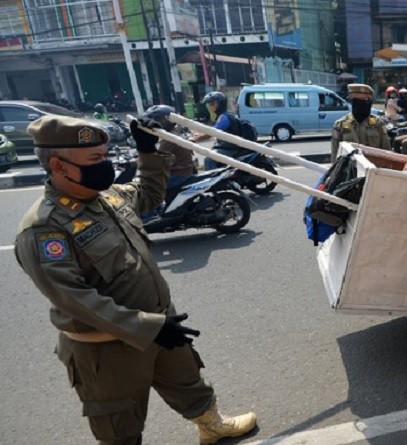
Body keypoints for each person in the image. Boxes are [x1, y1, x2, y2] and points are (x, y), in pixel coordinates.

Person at [14, 114, 257, 444]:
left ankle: (211, 426)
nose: (107, 166)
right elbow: (73, 298)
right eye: (96, 159)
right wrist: (150, 327)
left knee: (188, 382)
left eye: (107, 156)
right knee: (119, 424)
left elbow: (150, 192)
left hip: (160, 326)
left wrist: (147, 150)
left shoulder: (106, 197)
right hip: (107, 350)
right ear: (59, 166)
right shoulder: (45, 227)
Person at [330, 83, 390, 162]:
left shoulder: (378, 123)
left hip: (373, 171)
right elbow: (335, 155)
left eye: (364, 102)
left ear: (369, 102)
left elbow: (387, 153)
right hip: (350, 172)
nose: (360, 105)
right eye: (356, 102)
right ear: (352, 103)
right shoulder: (340, 125)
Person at [145, 105, 194, 190]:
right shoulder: (173, 132)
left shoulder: (169, 139)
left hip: (178, 174)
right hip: (184, 171)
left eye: (157, 120)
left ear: (166, 120)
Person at [201, 91, 250, 170]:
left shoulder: (224, 117)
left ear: (220, 104)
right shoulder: (227, 114)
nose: (210, 106)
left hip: (230, 149)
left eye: (212, 104)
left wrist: (196, 139)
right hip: (231, 146)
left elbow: (212, 133)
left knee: (209, 159)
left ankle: (214, 181)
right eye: (209, 104)